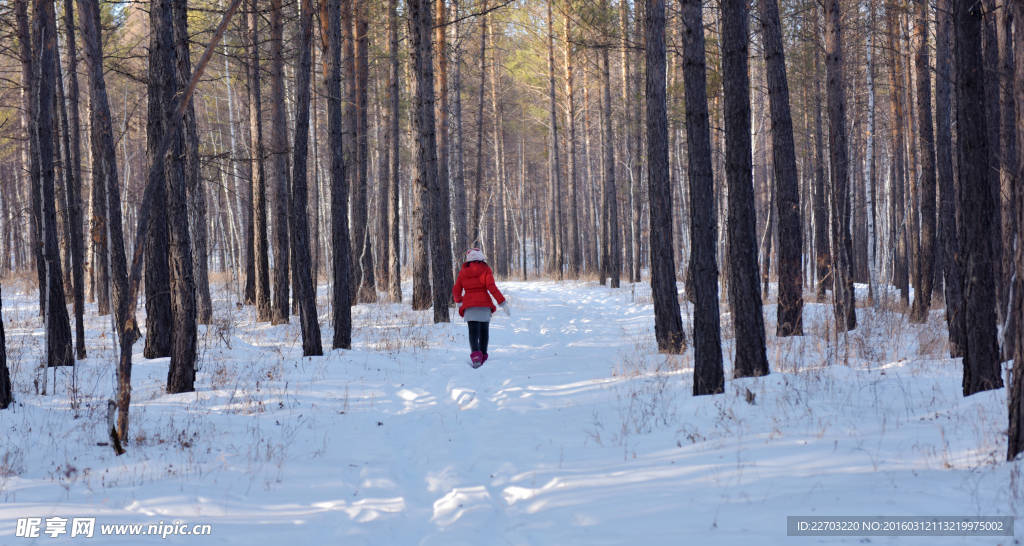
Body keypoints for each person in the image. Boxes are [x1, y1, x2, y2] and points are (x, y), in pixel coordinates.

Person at [452, 247, 509, 368]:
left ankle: (476, 357)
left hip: (469, 306)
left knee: (473, 333)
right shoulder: (486, 269)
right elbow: (491, 287)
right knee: (484, 331)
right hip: (484, 305)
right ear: (481, 258)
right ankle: (483, 354)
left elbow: (456, 289)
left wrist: (459, 302)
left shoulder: (463, 271)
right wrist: (502, 302)